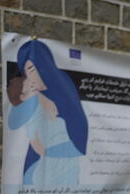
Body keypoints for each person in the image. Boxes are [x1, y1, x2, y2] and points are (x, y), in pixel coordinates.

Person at [6, 39, 88, 186]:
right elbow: (13, 122)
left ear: (44, 66)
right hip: (37, 166)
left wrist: (49, 151)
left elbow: (79, 134)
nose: (30, 76)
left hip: (64, 164)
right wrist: (36, 97)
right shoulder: (30, 95)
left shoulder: (62, 86)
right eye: (26, 72)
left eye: (32, 69)